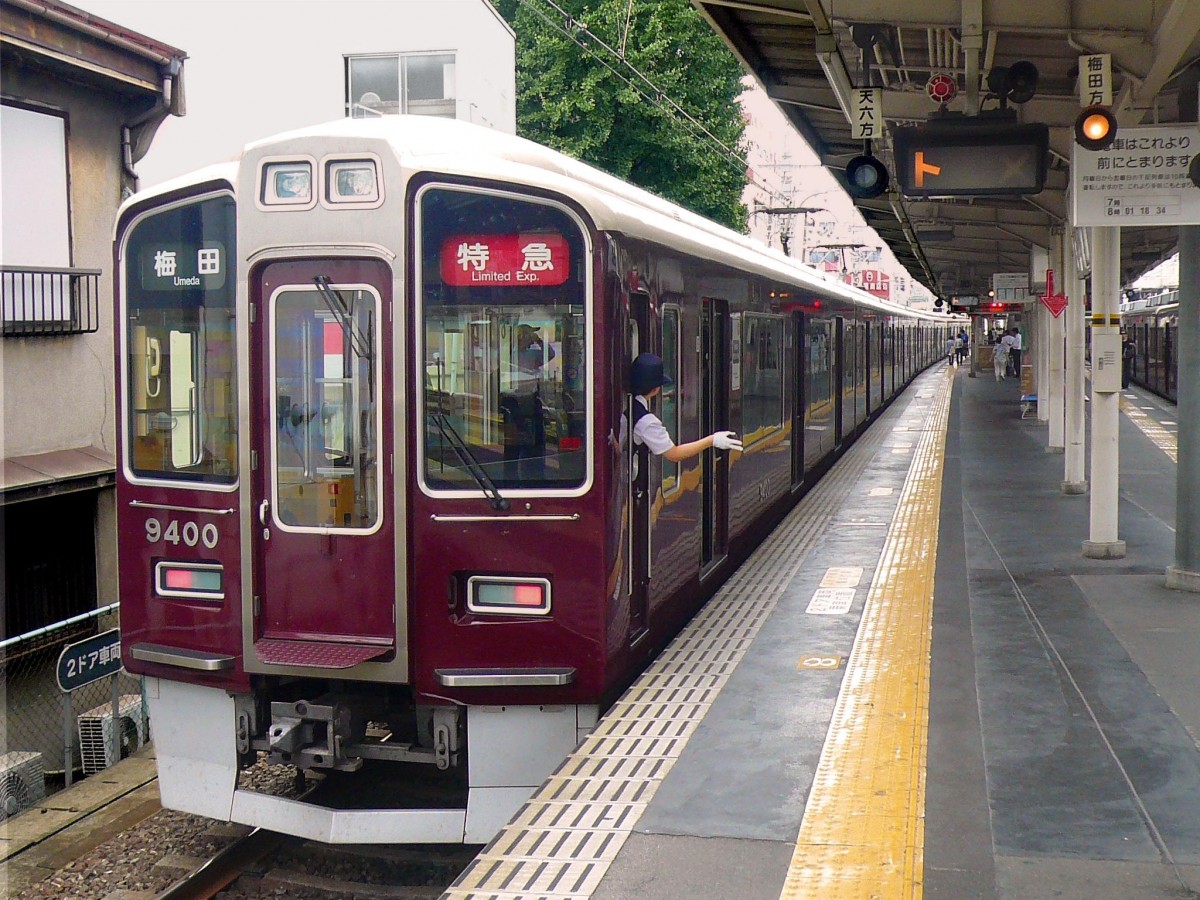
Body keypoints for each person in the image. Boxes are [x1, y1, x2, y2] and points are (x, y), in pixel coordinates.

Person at [628, 353, 742, 461]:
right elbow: (674, 454)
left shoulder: (631, 406)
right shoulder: (647, 422)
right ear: (655, 389)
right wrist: (712, 440)